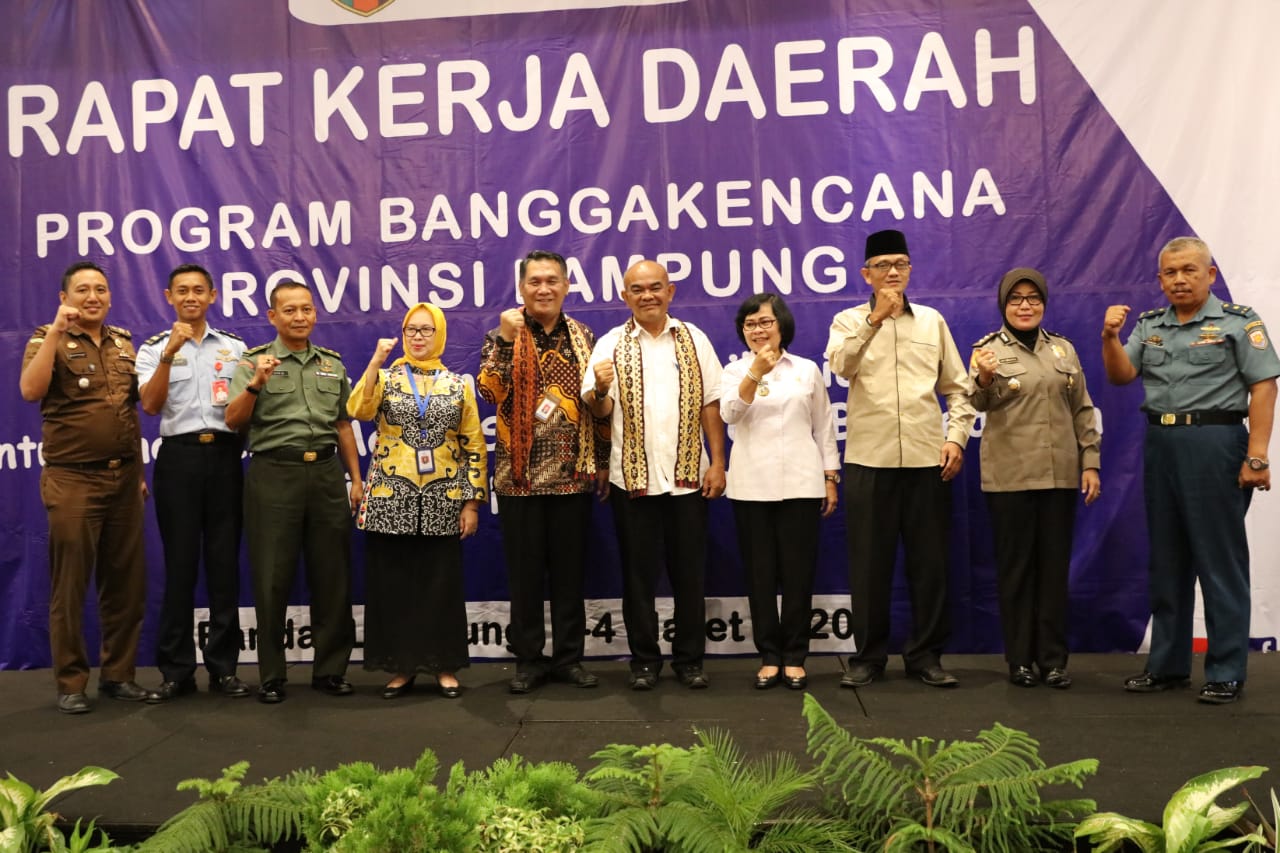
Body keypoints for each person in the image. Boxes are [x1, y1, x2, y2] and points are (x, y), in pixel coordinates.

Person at [1102, 236, 1279, 705]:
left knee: (1219, 561)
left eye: (1189, 270)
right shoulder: (1150, 325)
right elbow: (1121, 375)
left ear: (1210, 274)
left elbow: (1264, 386)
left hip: (1215, 442)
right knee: (1168, 561)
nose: (1179, 280)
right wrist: (1109, 338)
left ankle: (1226, 670)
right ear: (1160, 279)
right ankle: (1167, 665)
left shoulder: (1238, 322)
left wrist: (1257, 455)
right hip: (1161, 444)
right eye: (1170, 273)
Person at [825, 229, 975, 689]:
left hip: (927, 460)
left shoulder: (932, 322)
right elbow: (841, 367)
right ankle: (868, 657)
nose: (893, 272)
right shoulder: (848, 321)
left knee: (929, 565)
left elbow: (958, 388)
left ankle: (925, 656)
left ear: (910, 270)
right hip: (869, 460)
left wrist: (956, 438)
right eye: (883, 265)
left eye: (901, 264)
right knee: (869, 566)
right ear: (866, 274)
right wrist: (874, 320)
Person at [584, 259, 726, 690]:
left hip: (688, 478)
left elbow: (711, 403)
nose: (647, 295)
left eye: (655, 287)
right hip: (633, 481)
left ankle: (690, 660)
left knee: (690, 576)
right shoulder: (610, 343)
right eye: (637, 289)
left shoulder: (694, 339)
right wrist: (601, 388)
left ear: (670, 291)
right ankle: (644, 662)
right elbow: (598, 409)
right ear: (624, 296)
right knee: (638, 578)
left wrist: (718, 462)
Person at [19, 261, 154, 714]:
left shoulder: (123, 343)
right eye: (82, 289)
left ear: (110, 297)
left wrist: (138, 473)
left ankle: (118, 676)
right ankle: (72, 681)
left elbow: (129, 412)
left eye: (100, 289)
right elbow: (30, 390)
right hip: (73, 478)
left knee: (125, 584)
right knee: (71, 585)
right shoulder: (47, 338)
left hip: (124, 478)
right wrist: (57, 332)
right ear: (65, 298)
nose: (92, 296)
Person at [477, 251, 609, 694]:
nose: (544, 288)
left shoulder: (584, 337)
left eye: (552, 280)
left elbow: (597, 404)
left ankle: (569, 659)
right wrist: (503, 340)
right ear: (522, 288)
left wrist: (602, 461)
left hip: (573, 476)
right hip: (520, 480)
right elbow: (488, 391)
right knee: (525, 579)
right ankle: (529, 662)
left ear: (566, 286)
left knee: (570, 577)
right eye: (534, 281)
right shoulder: (503, 333)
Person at [224, 281, 362, 704]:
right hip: (273, 474)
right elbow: (232, 419)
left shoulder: (331, 364)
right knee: (271, 577)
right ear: (273, 316)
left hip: (325, 474)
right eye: (289, 310)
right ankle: (271, 675)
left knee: (332, 576)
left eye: (306, 309)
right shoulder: (252, 362)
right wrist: (256, 383)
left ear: (315, 313)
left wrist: (356, 479)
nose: (299, 317)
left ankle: (331, 670)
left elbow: (343, 424)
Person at [969, 268, 1101, 689]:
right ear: (1003, 305)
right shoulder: (987, 351)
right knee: (1017, 573)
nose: (1025, 306)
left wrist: (1090, 462)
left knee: (1053, 572)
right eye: (1016, 299)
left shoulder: (1063, 349)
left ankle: (1053, 661)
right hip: (1010, 478)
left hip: (1059, 477)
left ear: (1043, 303)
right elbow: (977, 402)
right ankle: (1020, 660)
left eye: (1033, 298)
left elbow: (1082, 409)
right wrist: (985, 377)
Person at [348, 302, 487, 699]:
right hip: (391, 497)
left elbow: (474, 444)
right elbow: (358, 409)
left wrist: (471, 503)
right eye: (411, 329)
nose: (418, 337)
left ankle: (444, 666)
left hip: (443, 498)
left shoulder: (457, 384)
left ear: (439, 334)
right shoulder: (386, 377)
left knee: (439, 586)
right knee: (394, 586)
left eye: (426, 330)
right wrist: (376, 362)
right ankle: (401, 667)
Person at [136, 264, 250, 701]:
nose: (190, 297)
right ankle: (176, 671)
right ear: (169, 296)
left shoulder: (235, 348)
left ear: (212, 295)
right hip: (178, 459)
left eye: (198, 290)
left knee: (224, 567)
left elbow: (246, 408)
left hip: (224, 457)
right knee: (180, 567)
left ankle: (224, 669)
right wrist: (170, 353)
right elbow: (150, 405)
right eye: (182, 291)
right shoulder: (153, 349)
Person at [720, 293, 840, 691]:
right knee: (760, 576)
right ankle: (769, 656)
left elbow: (824, 425)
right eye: (750, 324)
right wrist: (754, 372)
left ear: (781, 325)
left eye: (765, 322)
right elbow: (730, 413)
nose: (758, 330)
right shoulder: (733, 370)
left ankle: (795, 657)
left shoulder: (806, 370)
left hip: (801, 484)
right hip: (751, 486)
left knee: (798, 574)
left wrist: (830, 476)